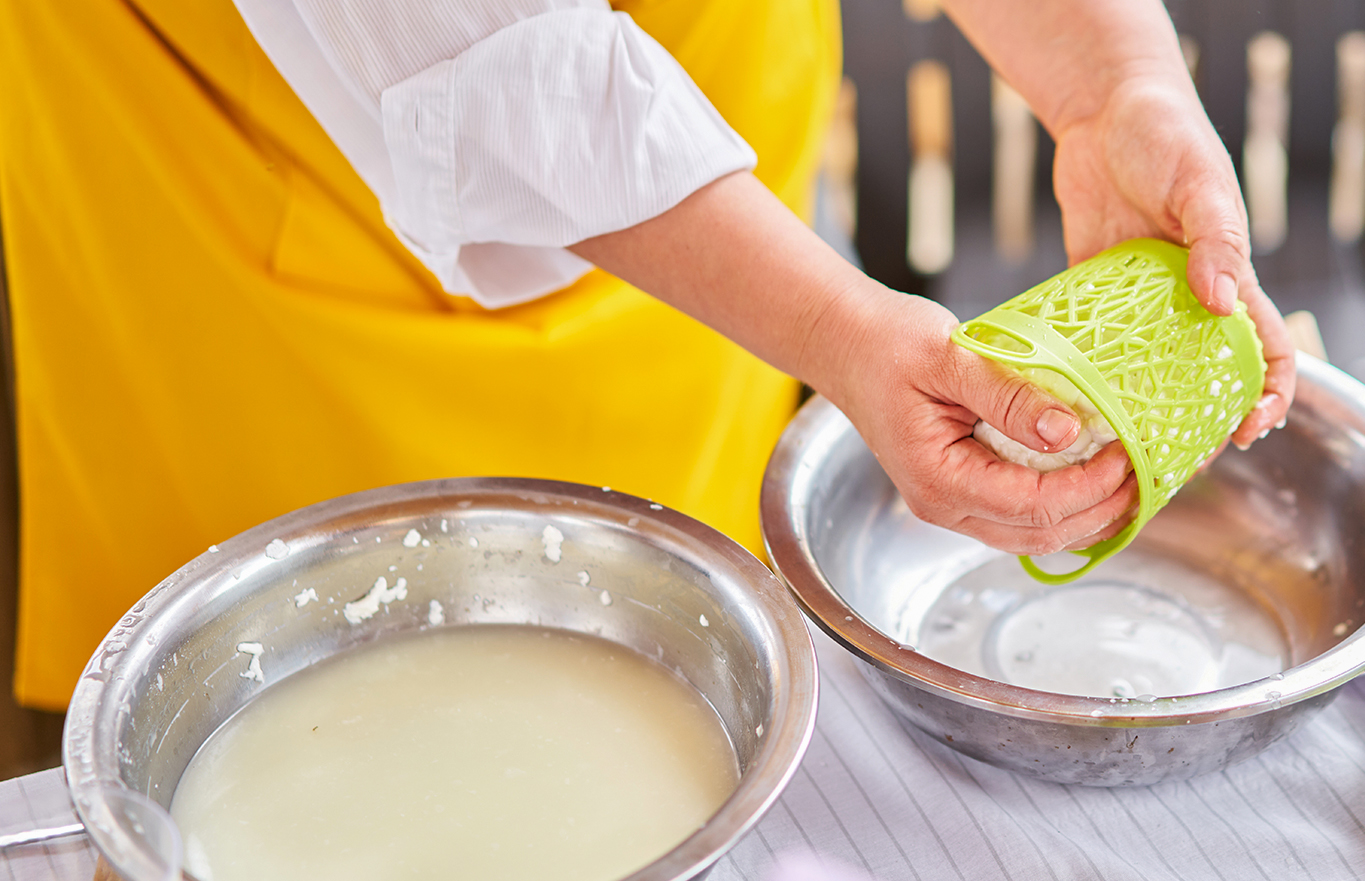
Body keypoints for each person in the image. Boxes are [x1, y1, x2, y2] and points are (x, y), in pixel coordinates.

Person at [0, 0, 1293, 710]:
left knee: (681, 698)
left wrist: (1110, 79)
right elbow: (486, 62)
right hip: (279, 242)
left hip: (710, 214)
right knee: (309, 729)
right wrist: (836, 325)